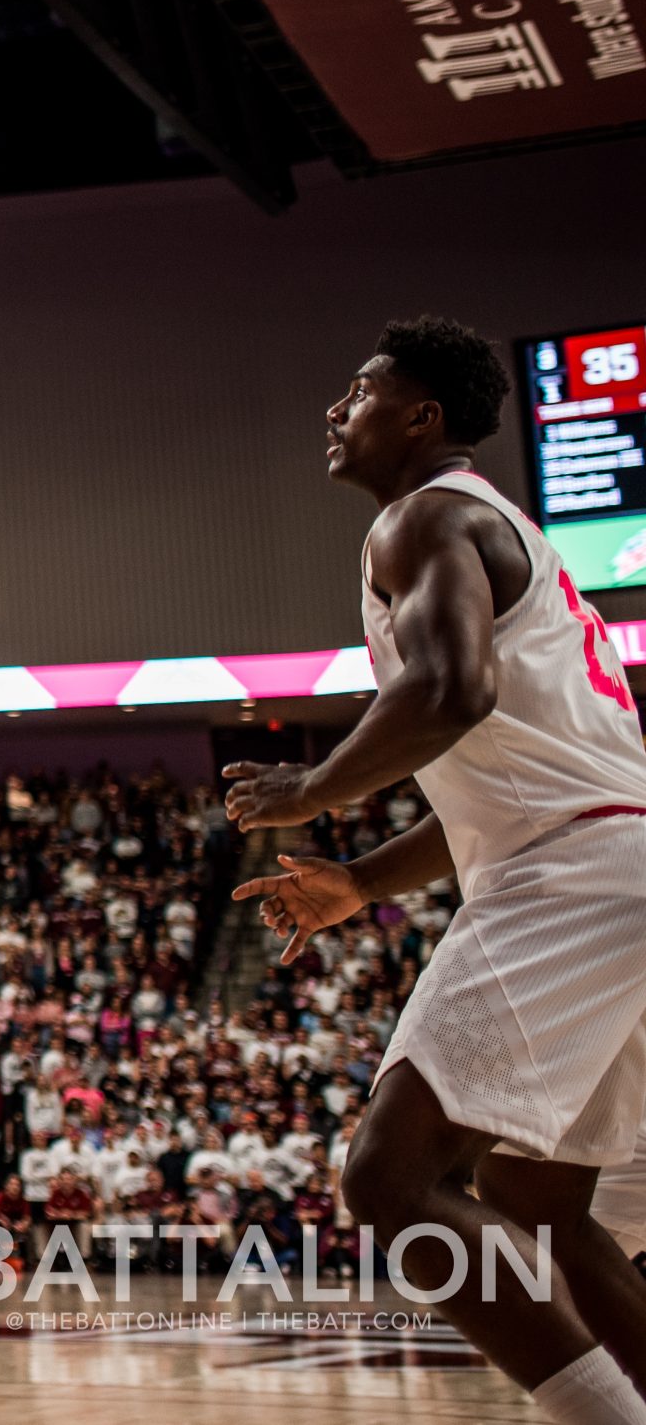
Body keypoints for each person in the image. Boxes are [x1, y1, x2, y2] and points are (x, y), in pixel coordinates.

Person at [230, 317, 646, 1424]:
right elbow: (504, 773)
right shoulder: (499, 531)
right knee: (534, 1197)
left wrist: (310, 789)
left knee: (391, 1180)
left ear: (421, 417)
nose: (336, 408)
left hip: (575, 873)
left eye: (358, 391)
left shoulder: (424, 518)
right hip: (611, 860)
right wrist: (362, 879)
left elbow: (449, 689)